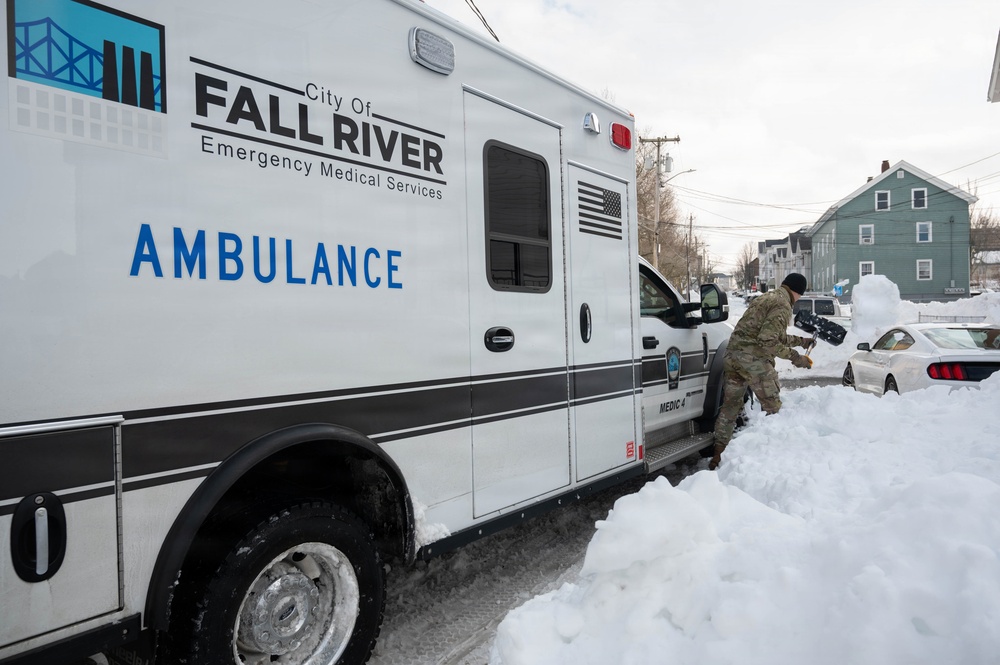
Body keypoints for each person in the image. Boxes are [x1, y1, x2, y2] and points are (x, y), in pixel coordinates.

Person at [710, 273, 814, 470]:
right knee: (773, 408)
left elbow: (771, 334)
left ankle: (718, 456)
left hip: (732, 356)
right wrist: (796, 358)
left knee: (730, 407)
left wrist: (802, 342)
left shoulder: (767, 298)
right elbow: (767, 342)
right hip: (753, 361)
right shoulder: (783, 305)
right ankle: (771, 460)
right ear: (797, 291)